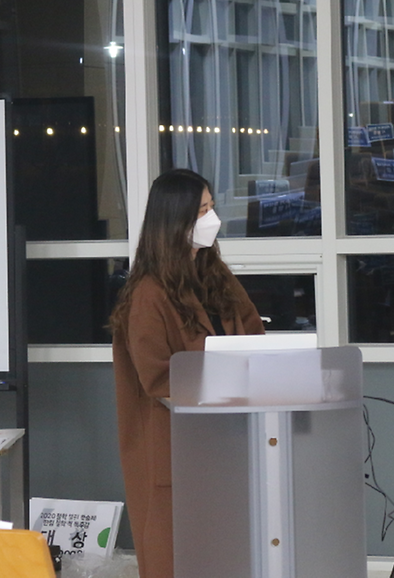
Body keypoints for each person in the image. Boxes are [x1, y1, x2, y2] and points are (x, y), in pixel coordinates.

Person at [110, 168, 265, 578]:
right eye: (201, 212)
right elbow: (158, 379)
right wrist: (222, 386)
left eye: (211, 207)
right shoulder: (148, 294)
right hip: (176, 448)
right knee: (177, 555)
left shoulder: (216, 275)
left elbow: (254, 337)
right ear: (174, 220)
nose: (211, 219)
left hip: (230, 440)